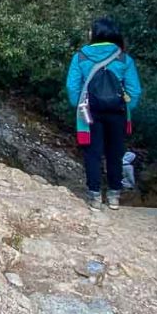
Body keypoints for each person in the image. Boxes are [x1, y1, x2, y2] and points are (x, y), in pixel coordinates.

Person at [66, 17, 142, 210]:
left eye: (91, 30)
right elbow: (134, 90)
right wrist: (126, 108)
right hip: (117, 112)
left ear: (98, 33)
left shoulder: (81, 56)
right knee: (115, 153)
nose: (89, 33)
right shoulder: (124, 58)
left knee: (93, 153)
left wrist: (79, 105)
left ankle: (94, 197)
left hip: (89, 111)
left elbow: (72, 85)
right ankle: (114, 197)